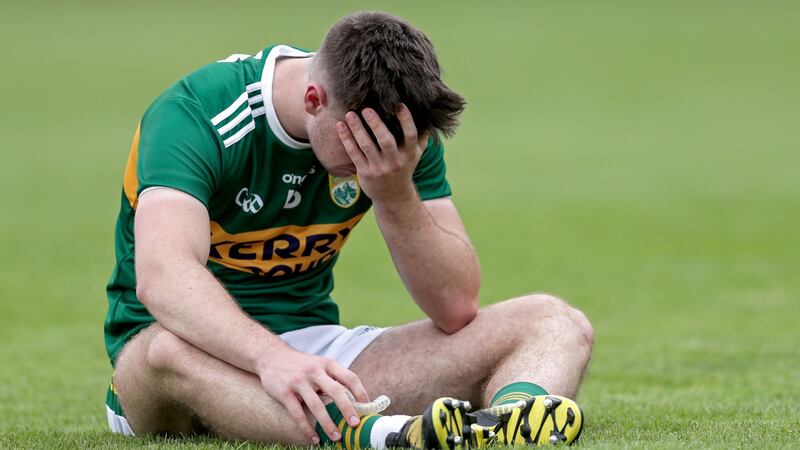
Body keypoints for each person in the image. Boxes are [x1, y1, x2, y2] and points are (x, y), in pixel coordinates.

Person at [104, 10, 594, 449]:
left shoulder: (399, 135)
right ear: (314, 100)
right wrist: (270, 358)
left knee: (554, 322)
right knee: (161, 351)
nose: (372, 163)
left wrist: (396, 193)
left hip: (316, 358)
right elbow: (163, 276)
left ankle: (504, 427)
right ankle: (379, 436)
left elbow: (455, 305)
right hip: (186, 364)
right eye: (360, 150)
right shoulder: (195, 115)